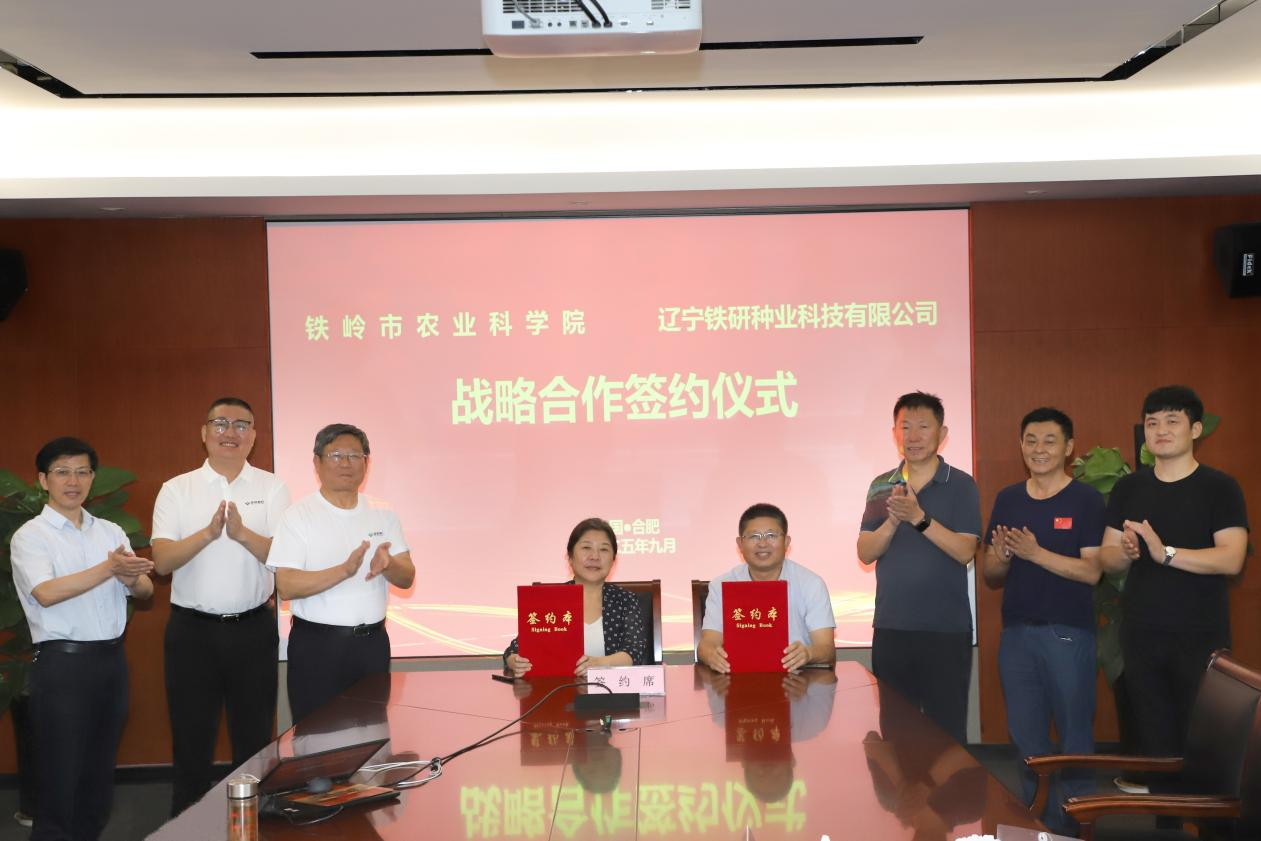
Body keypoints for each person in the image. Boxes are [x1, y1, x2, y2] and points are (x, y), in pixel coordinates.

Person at [1099, 386, 1248, 790]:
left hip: (1201, 636)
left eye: (1171, 421)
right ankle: (1166, 821)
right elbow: (1107, 558)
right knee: (1156, 746)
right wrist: (1126, 552)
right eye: (1152, 422)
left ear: (1196, 429)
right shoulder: (1129, 489)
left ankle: (1206, 822)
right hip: (1142, 634)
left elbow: (1231, 558)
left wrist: (1164, 552)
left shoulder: (1220, 487)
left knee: (1203, 743)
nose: (1160, 430)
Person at [150, 397, 291, 816]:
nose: (231, 432)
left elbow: (283, 558)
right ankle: (187, 824)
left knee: (254, 739)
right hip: (191, 633)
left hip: (253, 630)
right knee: (191, 738)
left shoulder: (272, 487)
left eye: (241, 425)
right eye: (221, 423)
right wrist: (208, 534)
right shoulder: (177, 489)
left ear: (254, 436)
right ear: (204, 432)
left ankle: (251, 823)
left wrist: (242, 533)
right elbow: (162, 562)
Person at [9, 437, 154, 841]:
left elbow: (145, 592)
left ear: (92, 478)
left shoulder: (109, 531)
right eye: (62, 472)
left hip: (111, 662)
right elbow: (46, 592)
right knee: (60, 777)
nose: (73, 481)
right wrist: (110, 569)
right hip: (63, 665)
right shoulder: (31, 536)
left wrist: (131, 577)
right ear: (43, 480)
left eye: (82, 472)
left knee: (97, 777)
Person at [982, 407, 1104, 834]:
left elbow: (1092, 571)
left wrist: (1036, 554)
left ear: (1069, 447)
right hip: (1017, 636)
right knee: (1027, 743)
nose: (1039, 449)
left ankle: (1077, 830)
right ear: (1021, 445)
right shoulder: (1008, 499)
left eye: (1050, 440)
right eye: (1030, 440)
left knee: (1074, 740)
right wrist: (1002, 556)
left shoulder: (1086, 500)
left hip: (1068, 634)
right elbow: (991, 574)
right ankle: (1040, 829)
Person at [267, 423, 416, 724]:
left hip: (372, 645)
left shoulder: (383, 513)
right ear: (317, 462)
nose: (346, 463)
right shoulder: (298, 516)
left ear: (366, 463)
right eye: (336, 455)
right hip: (318, 646)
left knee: (371, 735)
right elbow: (286, 585)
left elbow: (407, 577)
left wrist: (389, 564)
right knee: (317, 737)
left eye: (355, 456)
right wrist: (344, 570)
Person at [857, 391, 981, 745]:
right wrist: (894, 521)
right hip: (891, 628)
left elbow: (965, 551)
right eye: (905, 426)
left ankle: (946, 787)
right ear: (894, 433)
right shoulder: (882, 485)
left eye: (923, 426)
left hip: (945, 630)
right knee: (897, 732)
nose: (913, 436)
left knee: (946, 733)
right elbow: (865, 552)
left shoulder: (961, 484)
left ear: (942, 433)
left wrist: (919, 518)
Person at [697, 503, 836, 674]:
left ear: (786, 542)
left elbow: (826, 648)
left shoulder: (811, 584)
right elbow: (707, 643)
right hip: (737, 679)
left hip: (798, 679)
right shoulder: (721, 585)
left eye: (771, 535)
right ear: (740, 543)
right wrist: (712, 655)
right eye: (754, 536)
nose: (762, 543)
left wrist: (808, 653)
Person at [504, 518, 648, 677]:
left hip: (610, 690)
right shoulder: (550, 599)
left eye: (604, 549)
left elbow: (634, 650)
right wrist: (515, 662)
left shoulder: (625, 600)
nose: (595, 556)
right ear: (570, 557)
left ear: (613, 560)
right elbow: (514, 650)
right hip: (557, 690)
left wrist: (598, 664)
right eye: (586, 547)